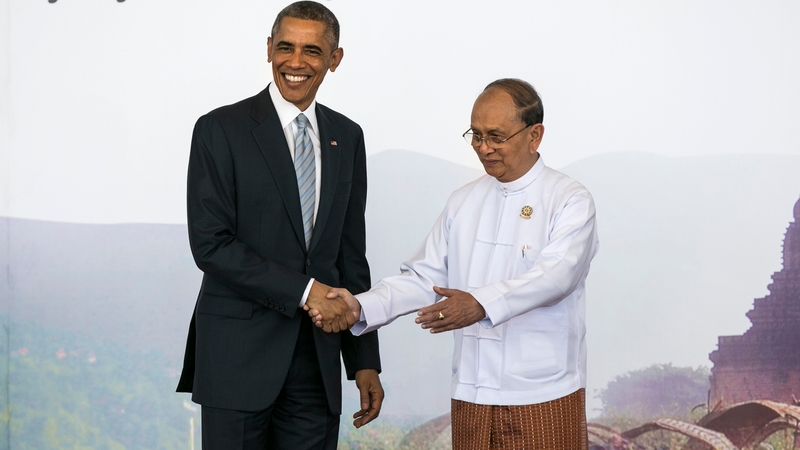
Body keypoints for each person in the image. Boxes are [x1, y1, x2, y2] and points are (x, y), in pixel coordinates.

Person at [310, 79, 599, 449]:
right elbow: (423, 278)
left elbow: (557, 276)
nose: (483, 148)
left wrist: (479, 304)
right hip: (472, 391)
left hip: (542, 391)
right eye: (476, 135)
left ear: (535, 135)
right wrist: (360, 305)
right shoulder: (464, 200)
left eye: (496, 136)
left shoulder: (569, 199)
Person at [177, 2, 383, 449]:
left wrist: (364, 360)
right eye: (285, 47)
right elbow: (211, 245)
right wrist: (308, 292)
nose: (295, 62)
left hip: (318, 361)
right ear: (269, 49)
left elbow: (351, 255)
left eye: (312, 50)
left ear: (335, 58)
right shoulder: (219, 129)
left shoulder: (347, 136)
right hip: (237, 359)